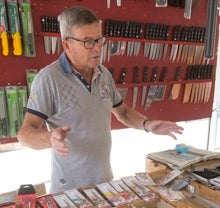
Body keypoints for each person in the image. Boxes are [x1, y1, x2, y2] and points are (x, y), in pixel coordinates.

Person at [17, 6, 184, 194]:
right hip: (69, 191)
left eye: (99, 40)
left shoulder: (103, 73)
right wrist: (49, 139)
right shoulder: (48, 79)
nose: (97, 48)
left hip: (105, 184)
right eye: (88, 42)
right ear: (66, 44)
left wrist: (148, 124)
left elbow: (123, 112)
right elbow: (24, 135)